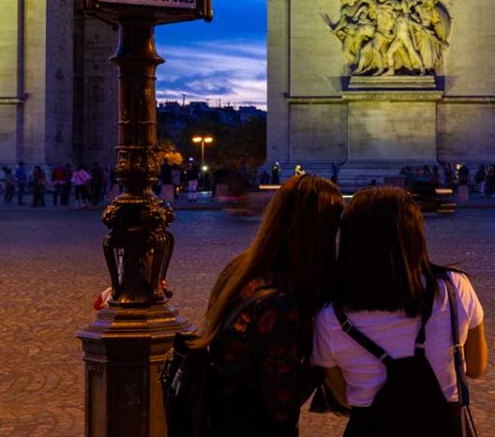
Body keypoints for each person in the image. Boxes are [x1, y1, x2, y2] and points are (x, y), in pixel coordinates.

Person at [313, 186, 488, 435]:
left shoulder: (330, 317)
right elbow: (476, 366)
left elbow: (344, 397)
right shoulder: (453, 287)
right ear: (415, 234)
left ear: (350, 239)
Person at [194, 174, 343, 436]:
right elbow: (283, 402)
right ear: (319, 235)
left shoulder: (241, 269)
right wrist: (323, 354)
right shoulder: (277, 307)